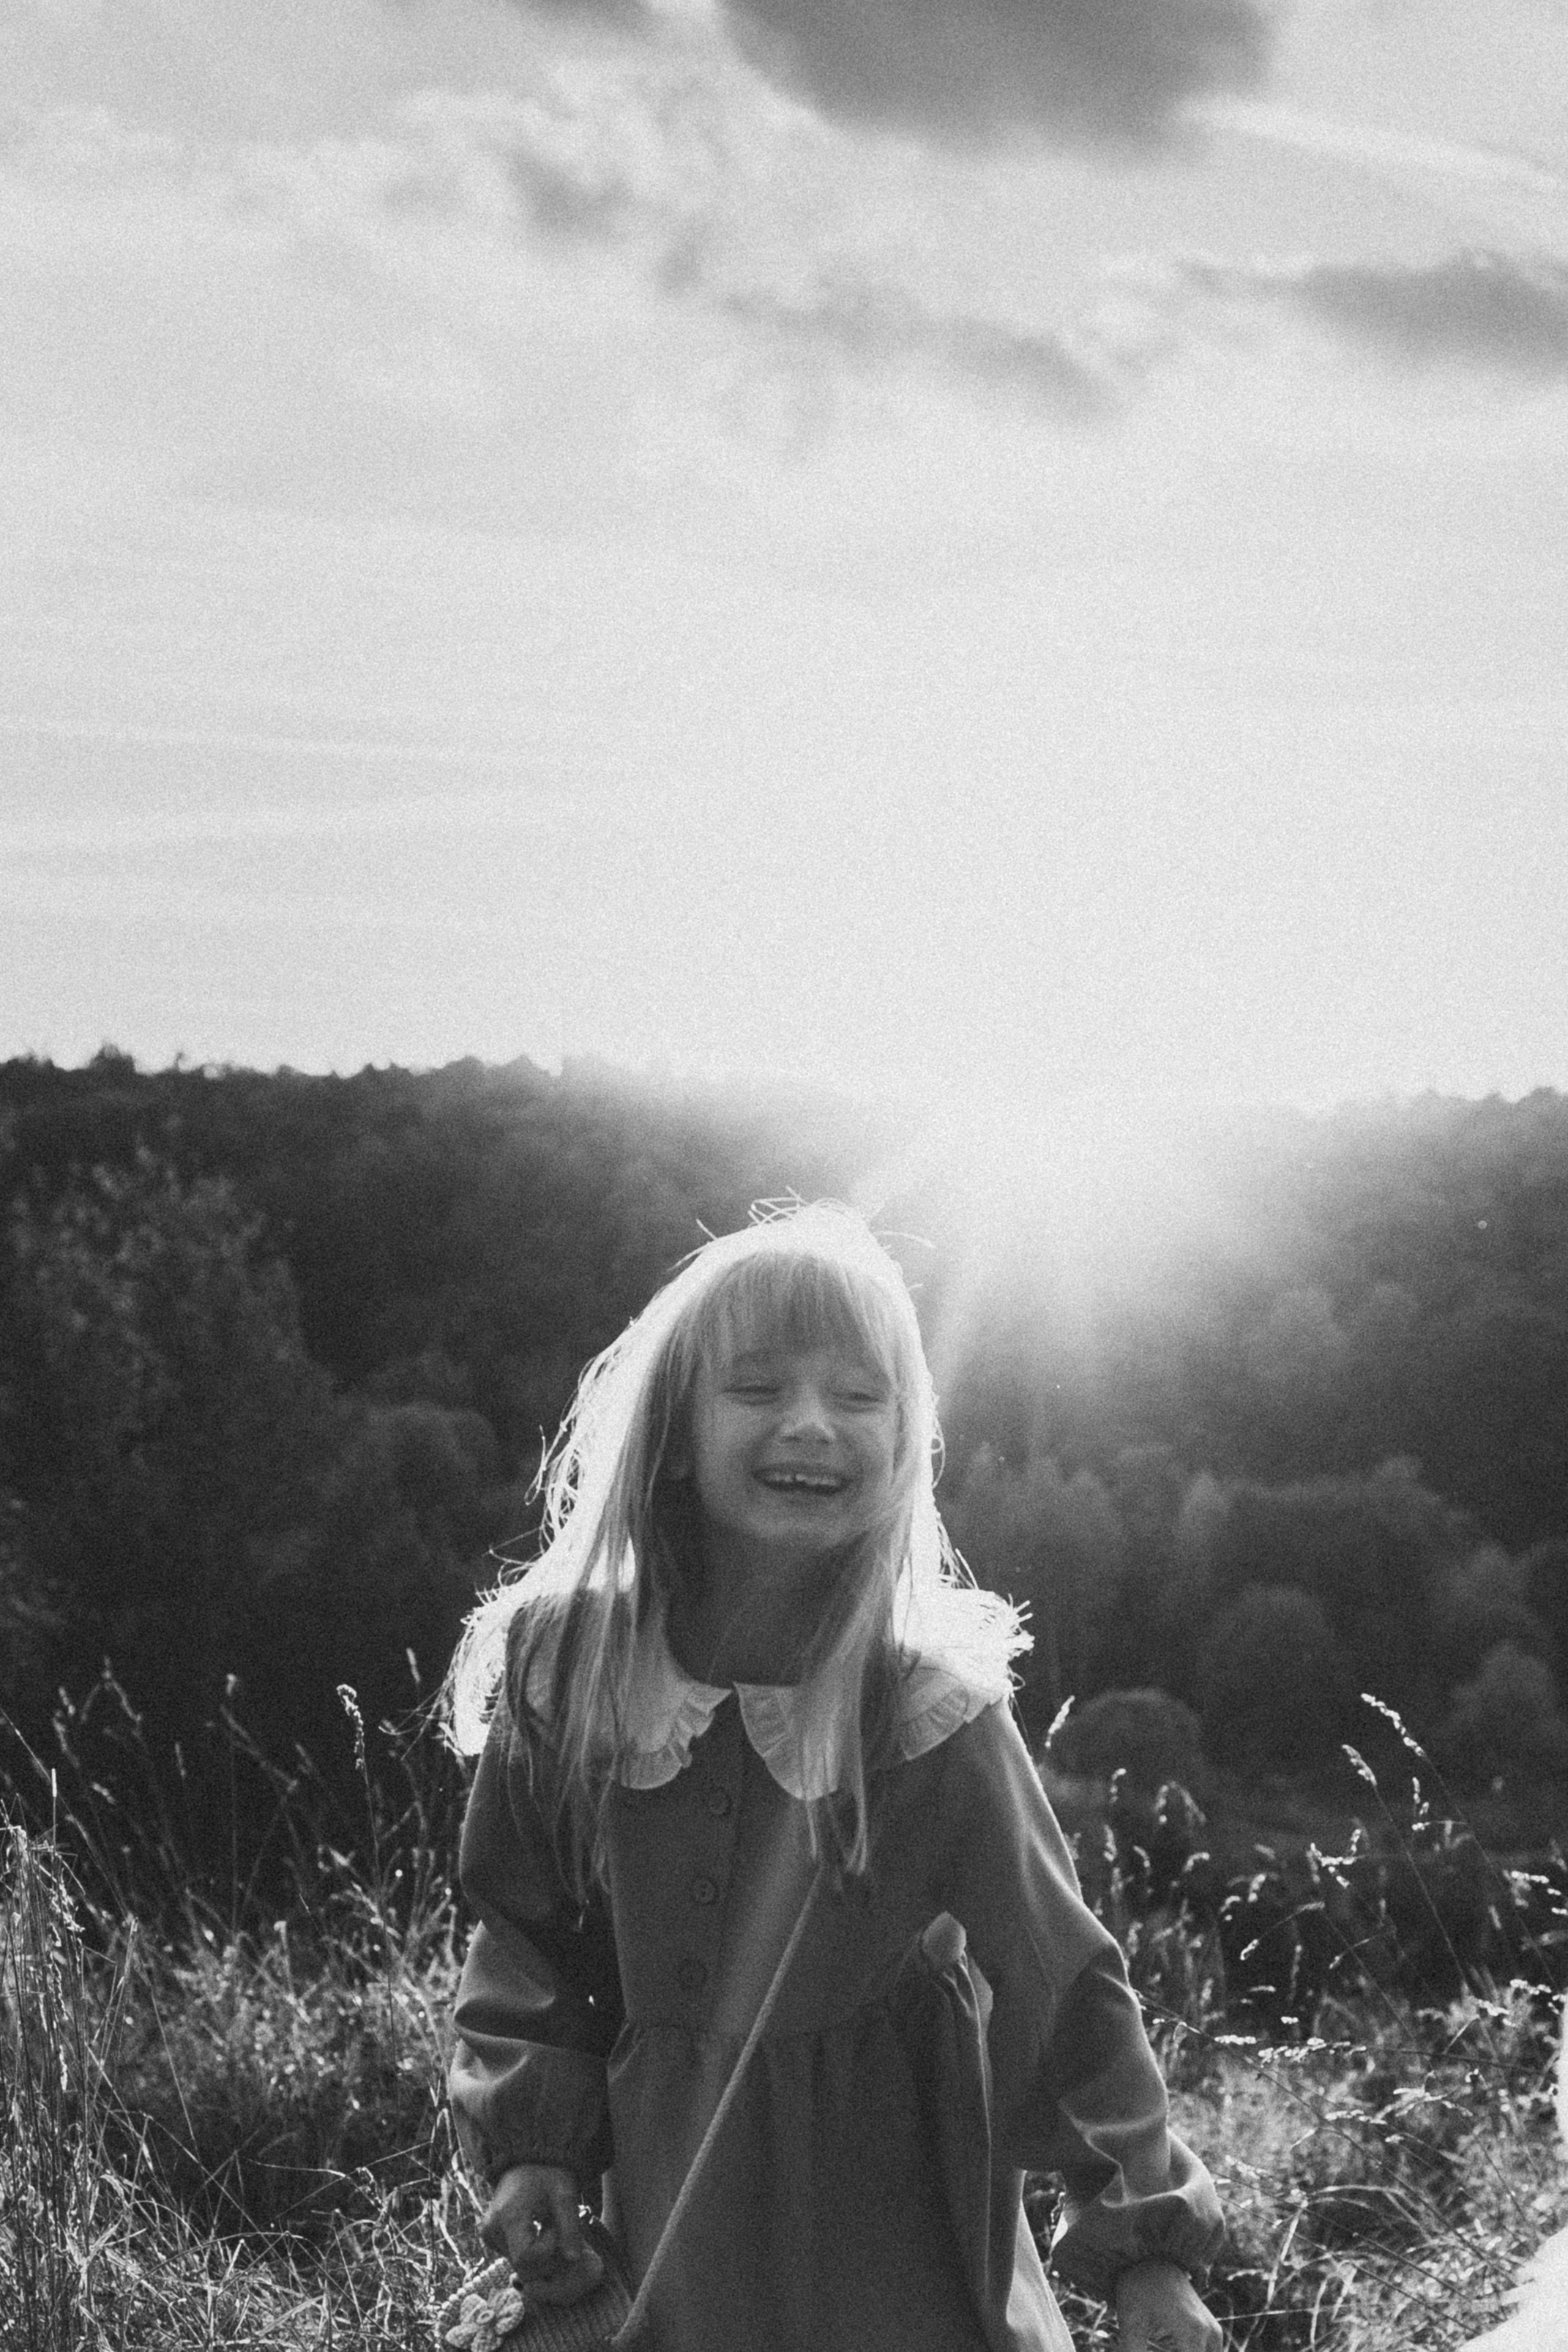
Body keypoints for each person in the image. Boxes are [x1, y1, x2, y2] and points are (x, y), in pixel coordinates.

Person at [446, 1201, 1225, 2351]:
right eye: (757, 1387)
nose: (809, 1422)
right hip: (673, 2211)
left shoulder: (928, 1710)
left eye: (858, 1395)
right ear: (673, 1428)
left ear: (903, 1439)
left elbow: (1060, 1980)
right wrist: (534, 2146)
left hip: (898, 2225)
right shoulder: (576, 1669)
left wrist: (1144, 2248)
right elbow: (531, 1938)